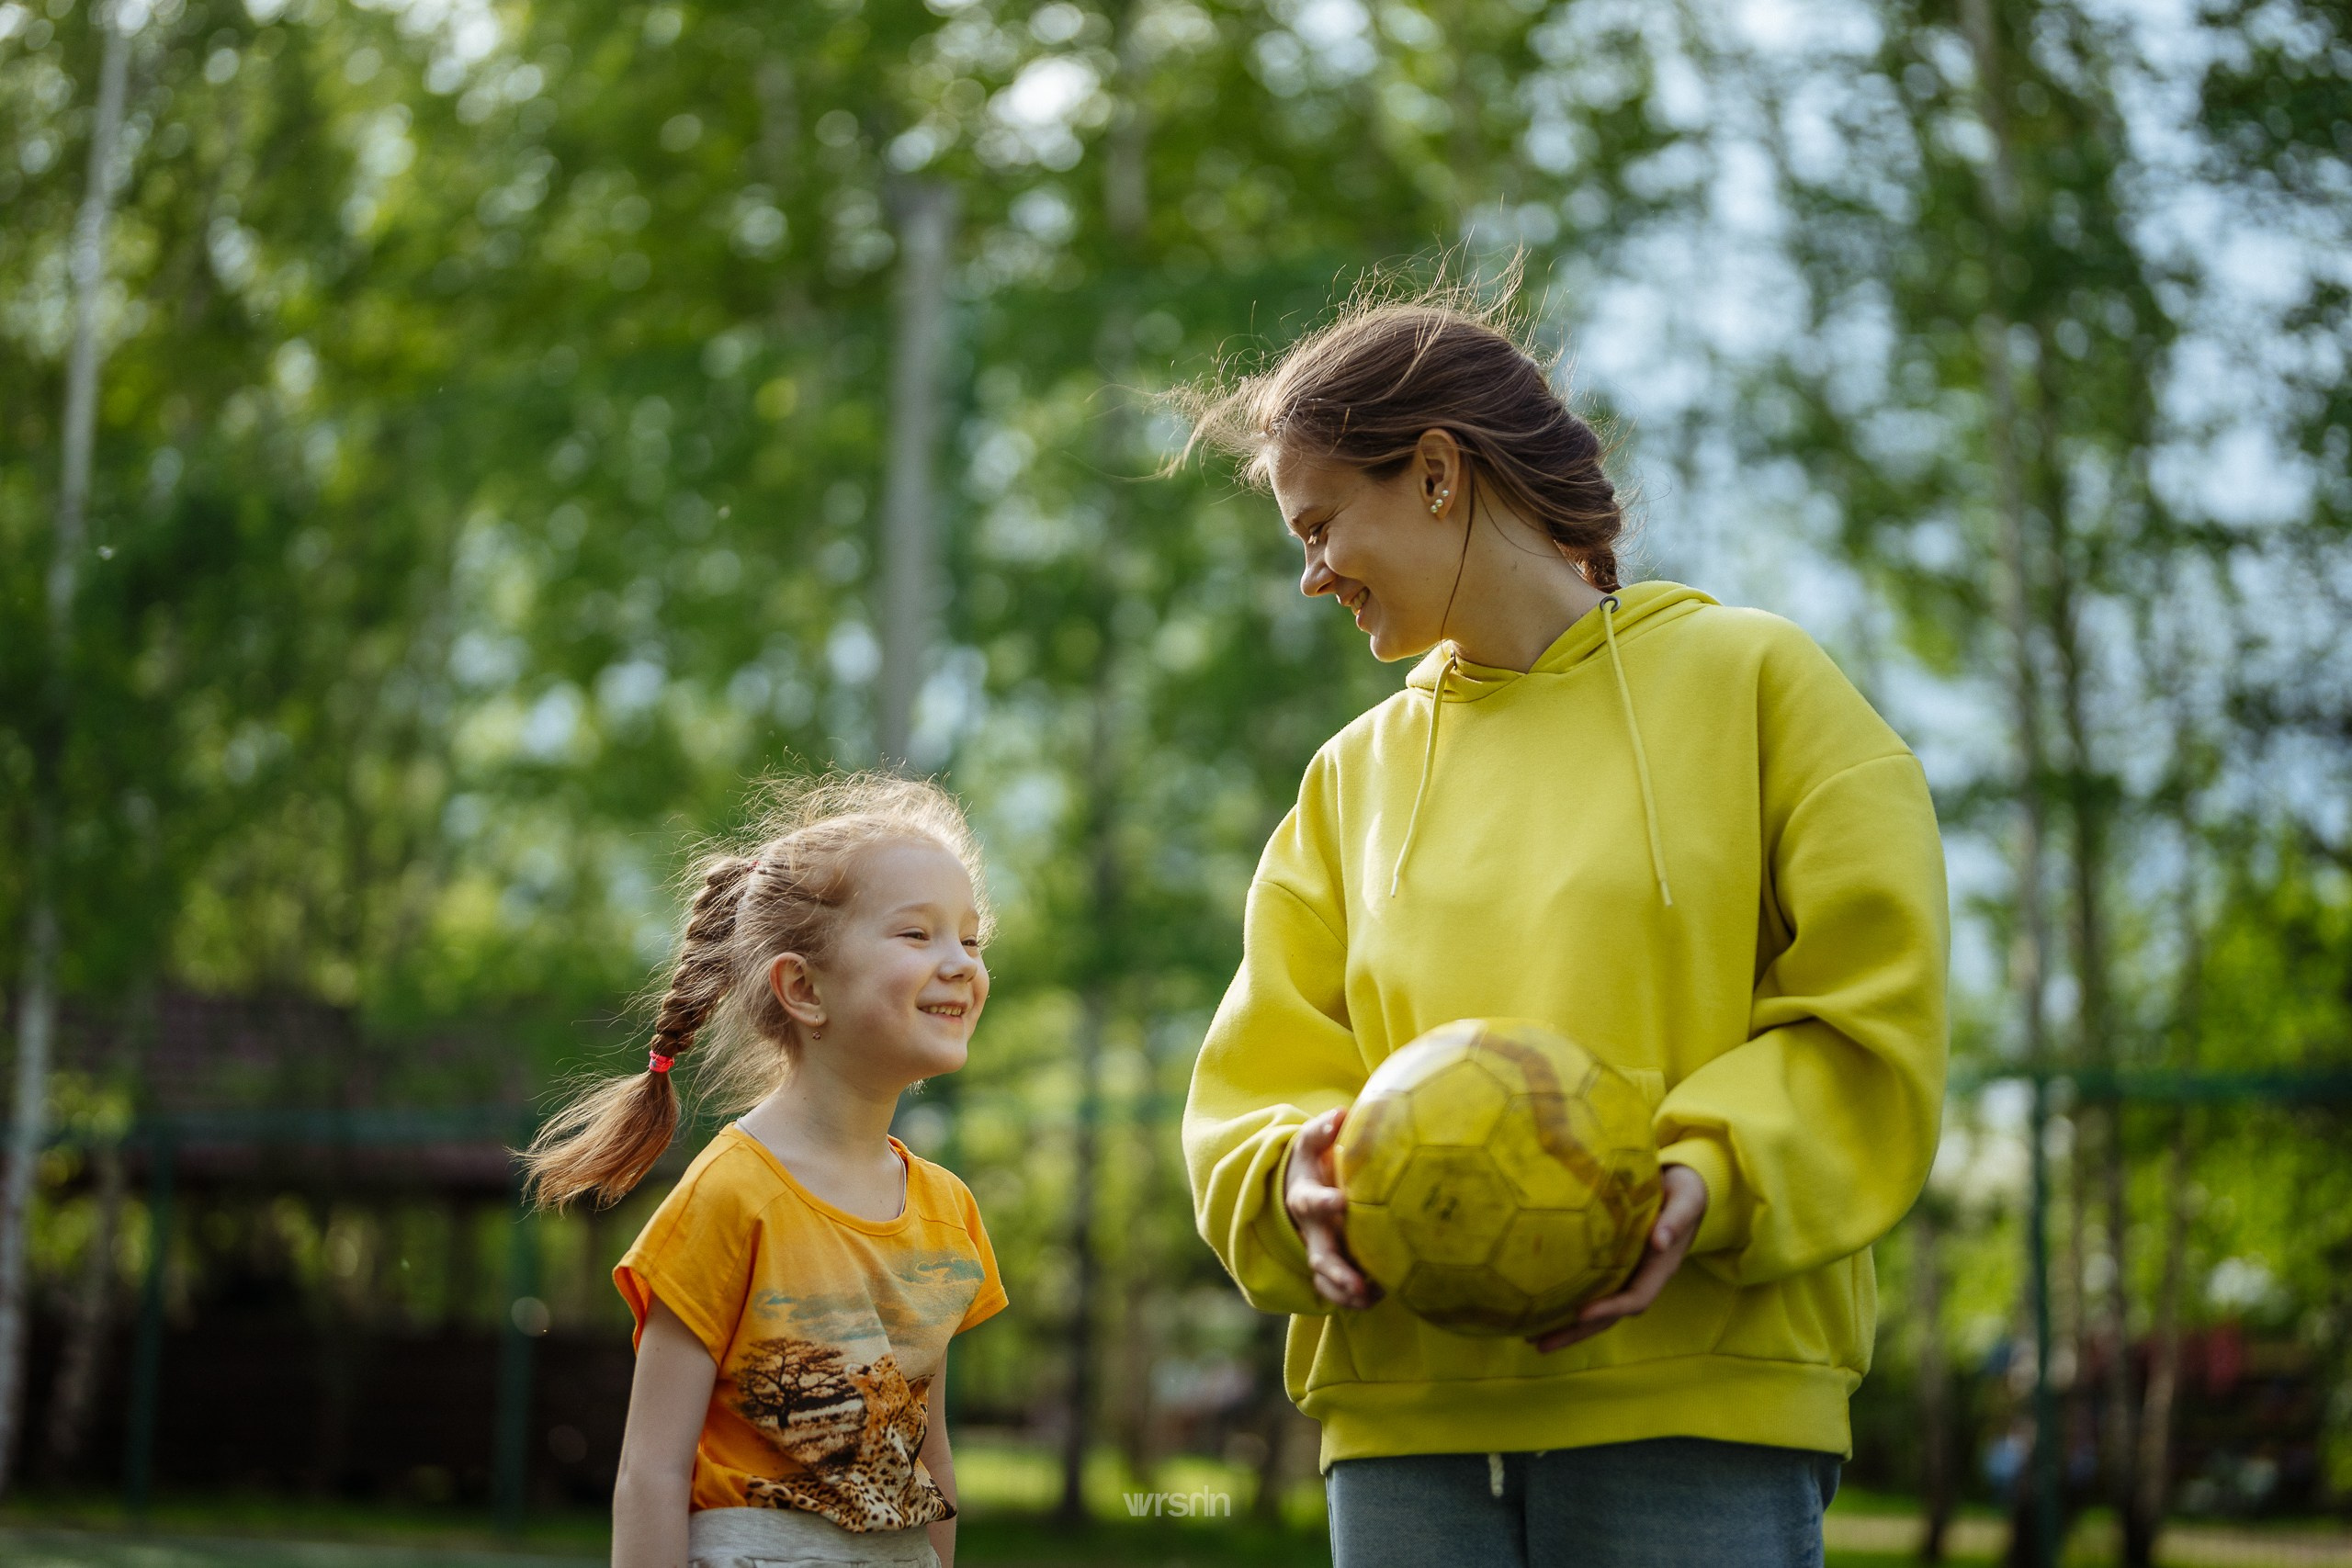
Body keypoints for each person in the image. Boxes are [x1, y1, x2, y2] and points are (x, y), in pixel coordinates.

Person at [1177, 283, 1950, 1568]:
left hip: (1700, 1407)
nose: (1311, 577)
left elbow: (1873, 1021)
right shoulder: (1347, 780)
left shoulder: (1764, 685)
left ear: (1437, 473)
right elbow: (1253, 1085)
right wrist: (1288, 1178)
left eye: (1319, 526)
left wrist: (1707, 1173)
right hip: (1403, 1433)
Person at [525, 773, 1008, 1568]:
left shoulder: (947, 1211)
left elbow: (930, 1458)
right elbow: (650, 1471)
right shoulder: (728, 1195)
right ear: (804, 988)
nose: (960, 963)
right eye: (918, 934)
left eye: (971, 940)